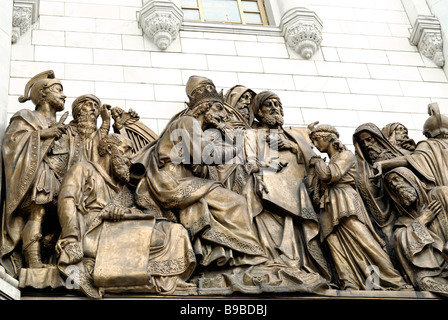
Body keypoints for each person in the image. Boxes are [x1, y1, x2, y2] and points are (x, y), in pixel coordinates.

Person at [130, 78, 267, 273]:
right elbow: (206, 154)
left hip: (178, 180)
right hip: (172, 183)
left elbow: (198, 164)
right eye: (219, 109)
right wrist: (237, 148)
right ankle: (249, 255)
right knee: (236, 202)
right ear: (205, 107)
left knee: (221, 197)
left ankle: (220, 253)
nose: (223, 115)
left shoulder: (193, 128)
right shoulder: (187, 122)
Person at [56, 134, 196, 298]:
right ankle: (159, 279)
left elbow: (133, 214)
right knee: (157, 238)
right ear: (109, 149)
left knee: (175, 231)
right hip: (90, 232)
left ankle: (169, 278)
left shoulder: (124, 191)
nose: (130, 159)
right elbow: (66, 200)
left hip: (117, 230)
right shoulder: (83, 169)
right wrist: (71, 236)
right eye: (126, 151)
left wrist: (127, 213)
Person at [308, 123, 410, 290]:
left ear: (328, 138)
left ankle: (393, 279)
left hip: (344, 199)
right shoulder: (330, 159)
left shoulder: (345, 155)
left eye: (317, 139)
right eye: (313, 140)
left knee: (363, 240)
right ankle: (350, 282)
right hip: (328, 204)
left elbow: (330, 175)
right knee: (335, 243)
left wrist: (317, 163)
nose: (316, 144)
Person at [248, 91, 332, 285]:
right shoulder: (252, 134)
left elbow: (314, 160)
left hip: (297, 191)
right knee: (272, 229)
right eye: (268, 105)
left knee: (297, 229)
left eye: (277, 104)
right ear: (259, 112)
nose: (274, 108)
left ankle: (301, 267)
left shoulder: (295, 134)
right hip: (269, 193)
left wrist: (291, 146)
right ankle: (278, 265)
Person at [1, 70, 68, 274]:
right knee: (37, 213)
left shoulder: (64, 126)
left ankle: (49, 256)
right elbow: (11, 144)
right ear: (44, 93)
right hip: (39, 174)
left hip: (60, 178)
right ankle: (33, 263)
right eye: (58, 90)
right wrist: (42, 134)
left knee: (62, 216)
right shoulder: (26, 116)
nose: (64, 95)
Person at [384, 167, 448, 296]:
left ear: (411, 180)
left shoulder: (440, 193)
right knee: (422, 281)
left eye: (397, 180)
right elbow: (400, 240)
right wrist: (421, 221)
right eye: (391, 186)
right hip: (436, 271)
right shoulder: (403, 221)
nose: (395, 186)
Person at [353, 123, 404, 251]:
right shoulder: (361, 167)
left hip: (401, 209)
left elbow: (409, 160)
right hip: (377, 217)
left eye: (369, 139)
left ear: (377, 138)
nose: (366, 145)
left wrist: (383, 164)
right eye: (362, 142)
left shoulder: (392, 154)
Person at [374, 103, 448, 188]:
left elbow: (414, 159)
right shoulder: (386, 154)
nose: (404, 132)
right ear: (390, 133)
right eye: (399, 129)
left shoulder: (425, 146)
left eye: (405, 130)